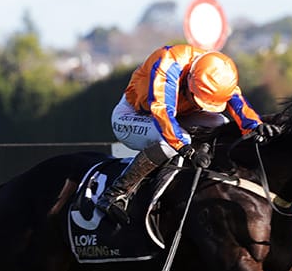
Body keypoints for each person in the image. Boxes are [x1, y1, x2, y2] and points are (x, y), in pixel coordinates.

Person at [95, 45, 278, 223]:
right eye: (198, 99)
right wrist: (187, 150)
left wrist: (255, 126)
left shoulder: (215, 71)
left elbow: (238, 104)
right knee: (169, 145)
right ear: (190, 79)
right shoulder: (168, 63)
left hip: (176, 116)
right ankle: (115, 193)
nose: (200, 107)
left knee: (220, 123)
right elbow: (163, 112)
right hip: (133, 115)